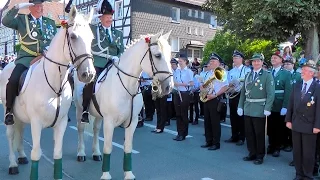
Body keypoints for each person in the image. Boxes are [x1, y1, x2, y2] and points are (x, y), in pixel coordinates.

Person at [2, 0, 57, 125]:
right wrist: (17, 7)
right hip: (27, 59)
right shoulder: (21, 20)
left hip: (47, 59)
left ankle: (61, 109)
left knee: (65, 78)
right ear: (30, 8)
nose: (40, 8)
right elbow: (5, 21)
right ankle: (9, 111)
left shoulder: (50, 22)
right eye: (36, 6)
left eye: (41, 6)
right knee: (13, 80)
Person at [81, 0, 124, 123]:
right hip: (98, 62)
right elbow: (83, 25)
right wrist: (92, 16)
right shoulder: (93, 29)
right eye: (106, 17)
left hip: (114, 63)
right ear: (100, 18)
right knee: (91, 81)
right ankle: (85, 110)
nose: (109, 20)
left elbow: (121, 49)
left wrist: (118, 56)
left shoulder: (118, 33)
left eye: (111, 17)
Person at [285, 60, 320, 180]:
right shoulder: (297, 85)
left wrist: (317, 125)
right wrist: (288, 120)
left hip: (309, 125)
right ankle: (299, 174)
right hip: (296, 123)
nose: (302, 72)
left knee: (308, 153)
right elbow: (291, 104)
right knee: (297, 151)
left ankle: (307, 175)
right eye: (302, 70)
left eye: (304, 70)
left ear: (311, 73)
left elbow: (319, 109)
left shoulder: (317, 87)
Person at [238, 53, 275, 165]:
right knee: (249, 133)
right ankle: (252, 153)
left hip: (260, 108)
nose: (256, 63)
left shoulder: (267, 75)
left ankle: (260, 155)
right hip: (248, 107)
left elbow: (271, 94)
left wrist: (268, 107)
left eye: (258, 61)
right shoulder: (248, 75)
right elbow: (243, 93)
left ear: (262, 62)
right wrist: (240, 106)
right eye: (254, 61)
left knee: (259, 134)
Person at [200, 53, 228, 151]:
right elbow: (204, 85)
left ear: (219, 63)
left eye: (213, 61)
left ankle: (216, 143)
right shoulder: (207, 73)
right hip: (207, 98)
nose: (211, 62)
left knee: (215, 122)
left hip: (215, 98)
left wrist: (215, 95)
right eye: (210, 61)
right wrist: (202, 88)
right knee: (207, 121)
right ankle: (208, 141)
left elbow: (225, 86)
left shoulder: (221, 72)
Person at [267, 51, 292, 157]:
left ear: (281, 60)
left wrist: (285, 106)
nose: (273, 59)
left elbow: (288, 91)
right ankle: (271, 145)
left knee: (279, 127)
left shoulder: (286, 73)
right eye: (272, 58)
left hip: (280, 103)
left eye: (275, 58)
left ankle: (277, 147)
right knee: (270, 126)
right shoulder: (268, 72)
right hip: (269, 104)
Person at [225, 50, 251, 146]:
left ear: (241, 59)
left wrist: (239, 81)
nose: (234, 60)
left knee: (241, 116)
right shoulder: (231, 71)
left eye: (236, 58)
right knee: (233, 116)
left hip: (242, 95)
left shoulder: (247, 70)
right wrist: (229, 86)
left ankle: (242, 137)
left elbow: (249, 81)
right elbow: (227, 83)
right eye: (233, 58)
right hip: (233, 94)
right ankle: (234, 135)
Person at [173, 54, 194, 141]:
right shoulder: (177, 71)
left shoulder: (189, 72)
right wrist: (174, 84)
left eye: (181, 61)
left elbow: (192, 84)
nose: (179, 63)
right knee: (178, 114)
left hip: (185, 93)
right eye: (179, 61)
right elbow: (174, 81)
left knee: (183, 114)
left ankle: (184, 133)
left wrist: (181, 84)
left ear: (185, 61)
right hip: (177, 93)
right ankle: (179, 133)